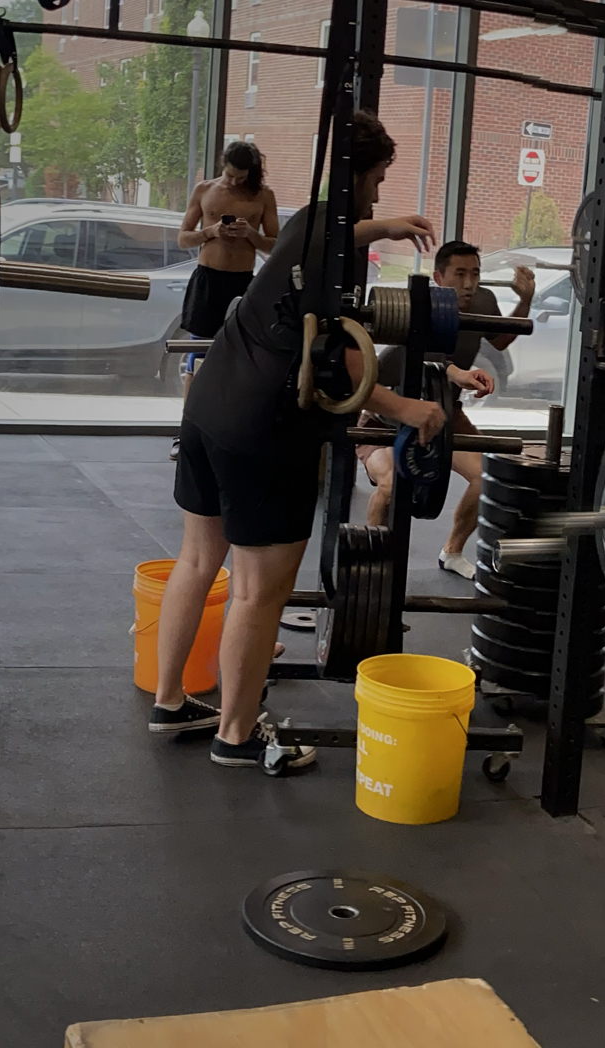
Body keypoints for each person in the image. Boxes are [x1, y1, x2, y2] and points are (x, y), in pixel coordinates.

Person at [149, 111, 445, 770]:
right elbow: (336, 370)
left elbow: (338, 227)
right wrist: (408, 407)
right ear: (357, 177)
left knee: (198, 562)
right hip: (262, 428)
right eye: (376, 183)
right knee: (257, 591)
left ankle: (169, 702)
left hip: (208, 407)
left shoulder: (312, 219)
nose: (375, 196)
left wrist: (389, 223)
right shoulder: (335, 262)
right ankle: (236, 734)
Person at [355, 241, 533, 578]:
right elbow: (415, 359)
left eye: (475, 274)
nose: (468, 283)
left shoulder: (483, 302)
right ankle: (373, 567)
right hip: (387, 417)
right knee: (392, 484)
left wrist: (525, 299)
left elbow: (501, 339)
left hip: (444, 412)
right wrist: (459, 373)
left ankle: (451, 551)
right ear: (438, 276)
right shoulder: (417, 308)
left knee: (485, 478)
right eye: (460, 274)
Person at [169, 140, 281, 460]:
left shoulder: (263, 196)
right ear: (223, 166)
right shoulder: (205, 190)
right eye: (230, 176)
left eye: (241, 177)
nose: (234, 182)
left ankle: (229, 430)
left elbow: (274, 246)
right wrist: (212, 232)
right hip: (208, 279)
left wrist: (251, 234)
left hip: (241, 283)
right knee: (196, 357)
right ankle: (186, 433)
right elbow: (182, 238)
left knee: (238, 361)